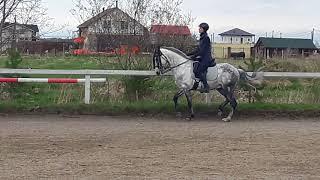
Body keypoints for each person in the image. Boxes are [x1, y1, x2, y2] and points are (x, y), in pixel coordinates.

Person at [187, 22, 215, 93]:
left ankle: (206, 86)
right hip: (202, 58)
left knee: (198, 71)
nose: (199, 29)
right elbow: (198, 49)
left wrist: (193, 56)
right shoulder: (202, 38)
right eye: (199, 28)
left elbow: (202, 51)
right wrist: (187, 54)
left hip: (206, 59)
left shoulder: (206, 38)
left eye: (200, 28)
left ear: (204, 29)